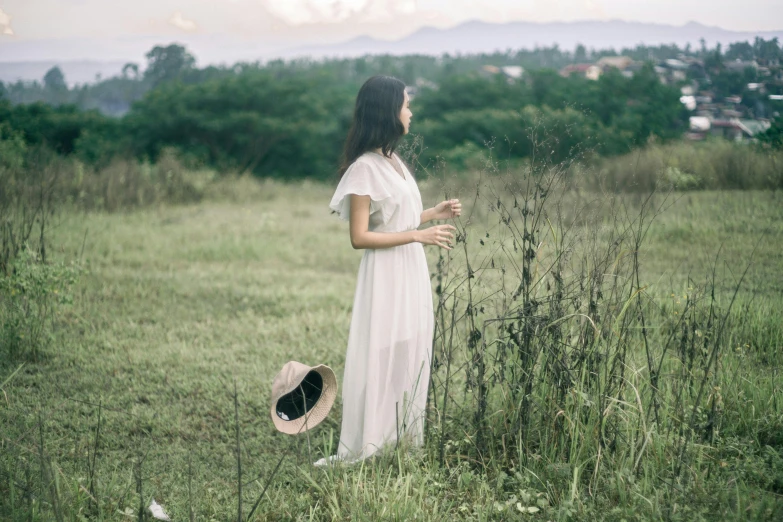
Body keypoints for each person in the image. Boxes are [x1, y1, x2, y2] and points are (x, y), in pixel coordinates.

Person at [321, 75, 461, 465]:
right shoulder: (364, 168)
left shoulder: (393, 161)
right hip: (385, 273)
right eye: (405, 104)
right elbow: (361, 236)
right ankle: (372, 442)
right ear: (388, 111)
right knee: (383, 349)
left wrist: (432, 213)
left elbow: (398, 218)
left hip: (409, 269)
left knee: (410, 346)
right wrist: (419, 236)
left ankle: (400, 437)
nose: (410, 112)